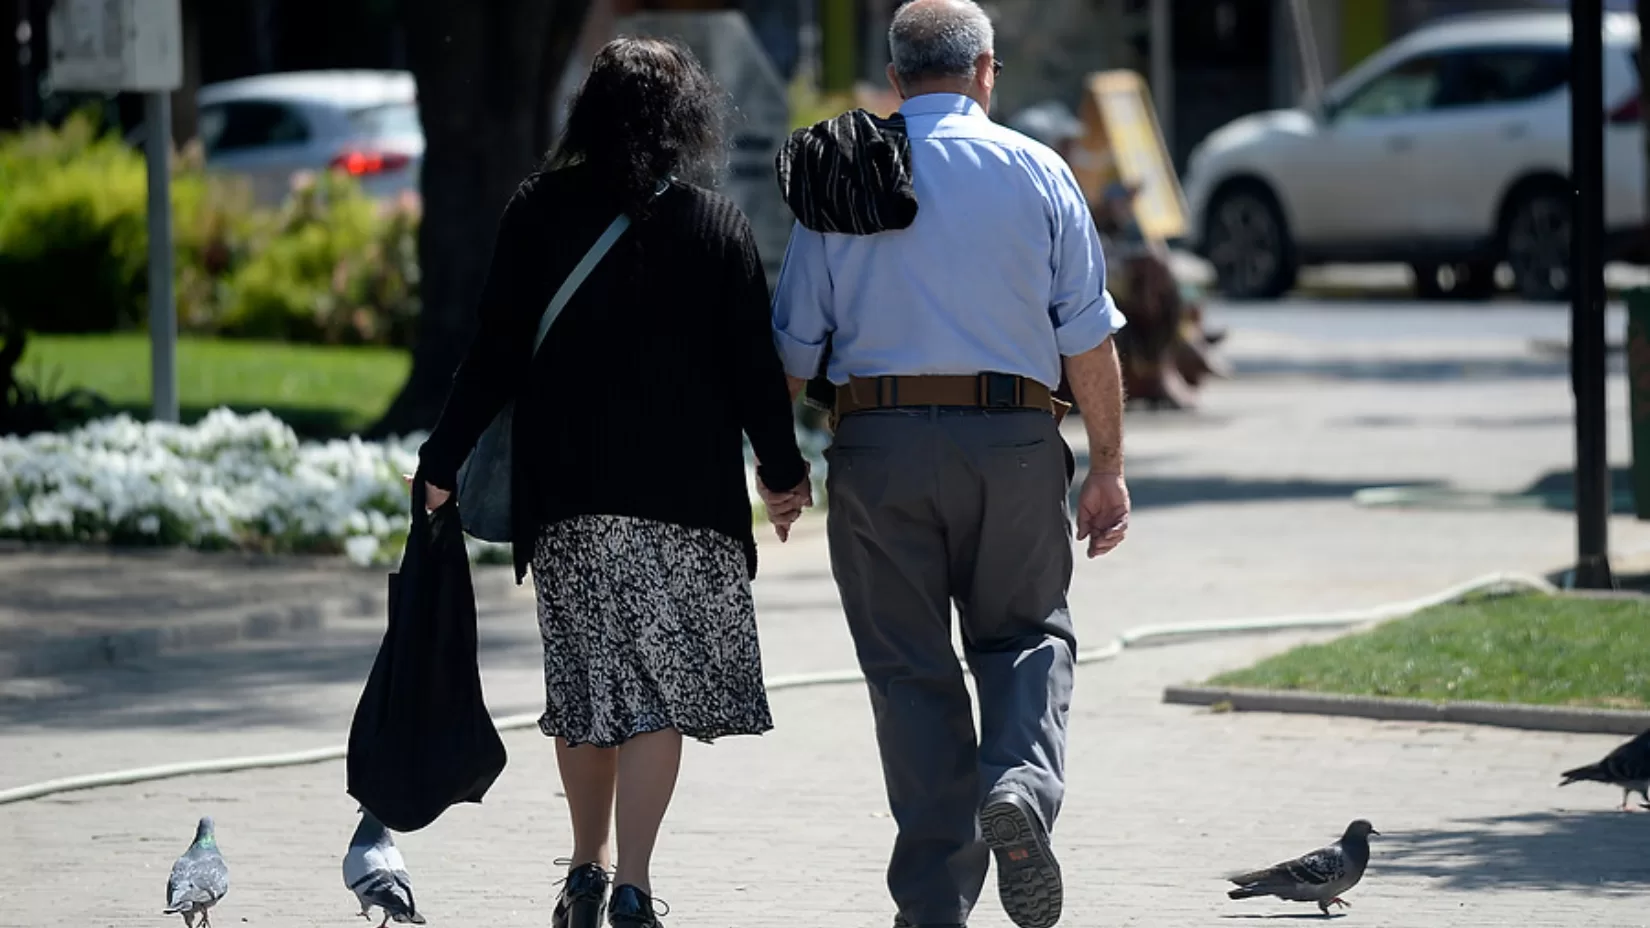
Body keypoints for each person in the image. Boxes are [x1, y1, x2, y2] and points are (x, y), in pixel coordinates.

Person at [414, 37, 812, 928]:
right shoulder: (717, 227)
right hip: (685, 505)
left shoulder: (538, 212)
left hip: (569, 503)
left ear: (588, 113)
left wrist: (440, 463)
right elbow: (755, 375)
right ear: (684, 122)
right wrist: (783, 478)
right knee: (656, 698)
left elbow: (492, 355)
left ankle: (584, 866)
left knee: (585, 690)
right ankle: (632, 879)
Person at [765, 2, 1130, 926]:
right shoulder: (1038, 172)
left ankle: (933, 905)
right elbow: (1087, 341)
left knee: (910, 674)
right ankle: (1016, 786)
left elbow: (794, 350)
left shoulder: (844, 173)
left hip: (877, 448)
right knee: (1026, 639)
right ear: (986, 71)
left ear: (895, 78)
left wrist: (778, 470)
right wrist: (1107, 468)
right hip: (1010, 443)